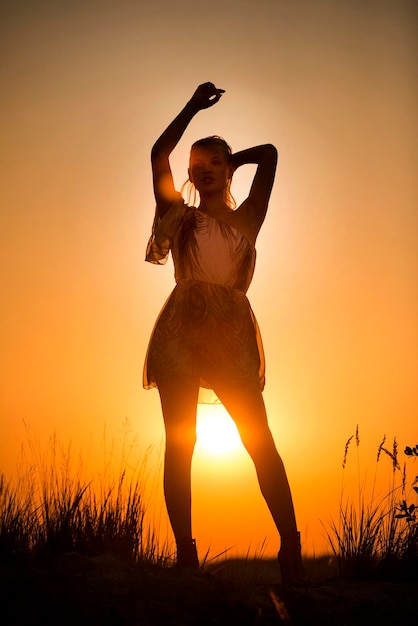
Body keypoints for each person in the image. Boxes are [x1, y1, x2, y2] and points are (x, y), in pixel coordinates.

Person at [143, 82, 303, 585]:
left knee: (260, 442)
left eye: (215, 162)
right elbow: (158, 153)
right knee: (179, 446)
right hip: (180, 332)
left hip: (231, 337)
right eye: (199, 163)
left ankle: (291, 552)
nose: (204, 168)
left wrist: (233, 157)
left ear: (228, 169)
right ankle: (185, 558)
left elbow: (271, 155)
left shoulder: (248, 217)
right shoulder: (180, 218)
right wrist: (191, 105)